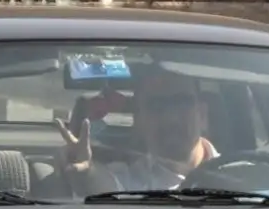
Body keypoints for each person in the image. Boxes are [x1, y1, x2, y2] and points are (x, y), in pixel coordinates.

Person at [57, 65, 218, 193]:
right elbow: (107, 187)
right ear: (138, 123)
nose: (170, 118)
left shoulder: (238, 172)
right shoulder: (129, 180)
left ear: (203, 115)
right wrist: (88, 172)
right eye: (156, 106)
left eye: (182, 103)